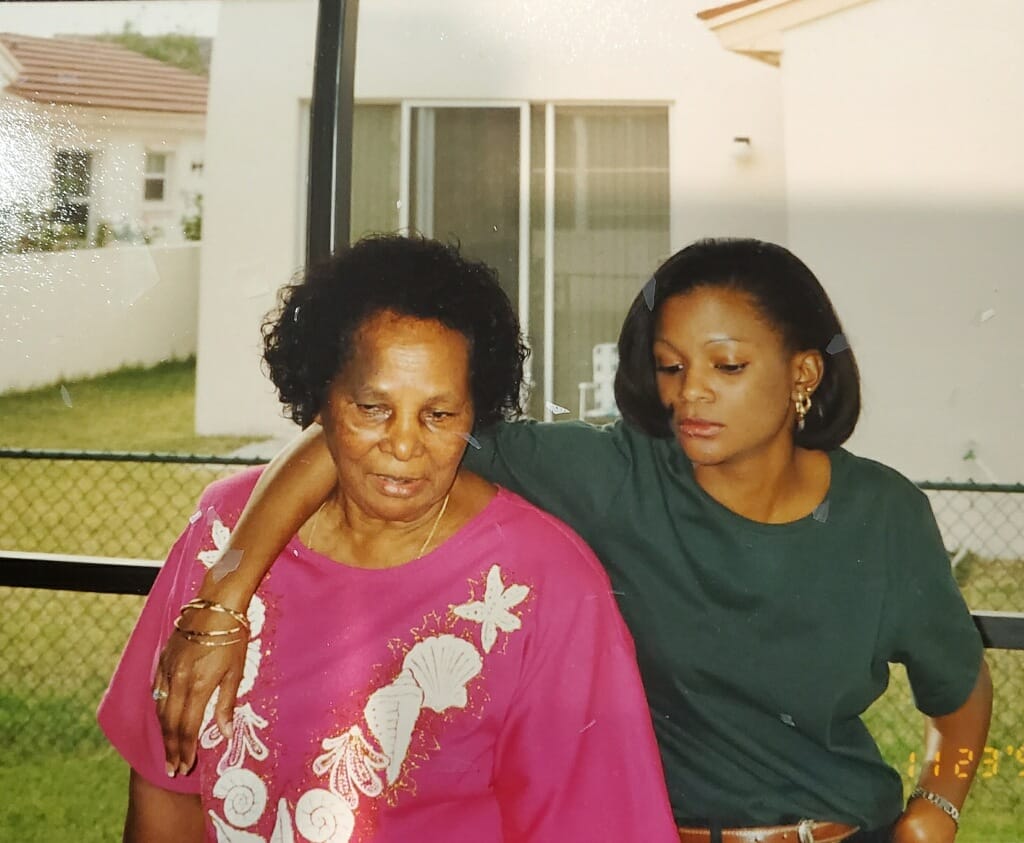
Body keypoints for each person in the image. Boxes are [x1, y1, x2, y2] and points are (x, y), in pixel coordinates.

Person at [152, 238, 992, 843]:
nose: (690, 393)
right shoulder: (613, 477)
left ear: (802, 374)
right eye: (669, 365)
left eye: (726, 366)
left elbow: (959, 694)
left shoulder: (884, 518)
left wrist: (939, 809)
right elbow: (362, 427)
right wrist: (223, 594)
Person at [98, 234, 680, 843]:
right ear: (321, 398)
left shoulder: (544, 583)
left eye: (439, 415)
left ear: (475, 412)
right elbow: (166, 782)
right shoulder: (224, 532)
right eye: (373, 408)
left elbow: (593, 824)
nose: (405, 447)